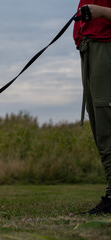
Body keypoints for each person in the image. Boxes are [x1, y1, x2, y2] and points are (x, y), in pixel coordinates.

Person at [73, 0, 111, 215]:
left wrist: (101, 12)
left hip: (105, 48)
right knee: (98, 121)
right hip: (89, 49)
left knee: (106, 118)